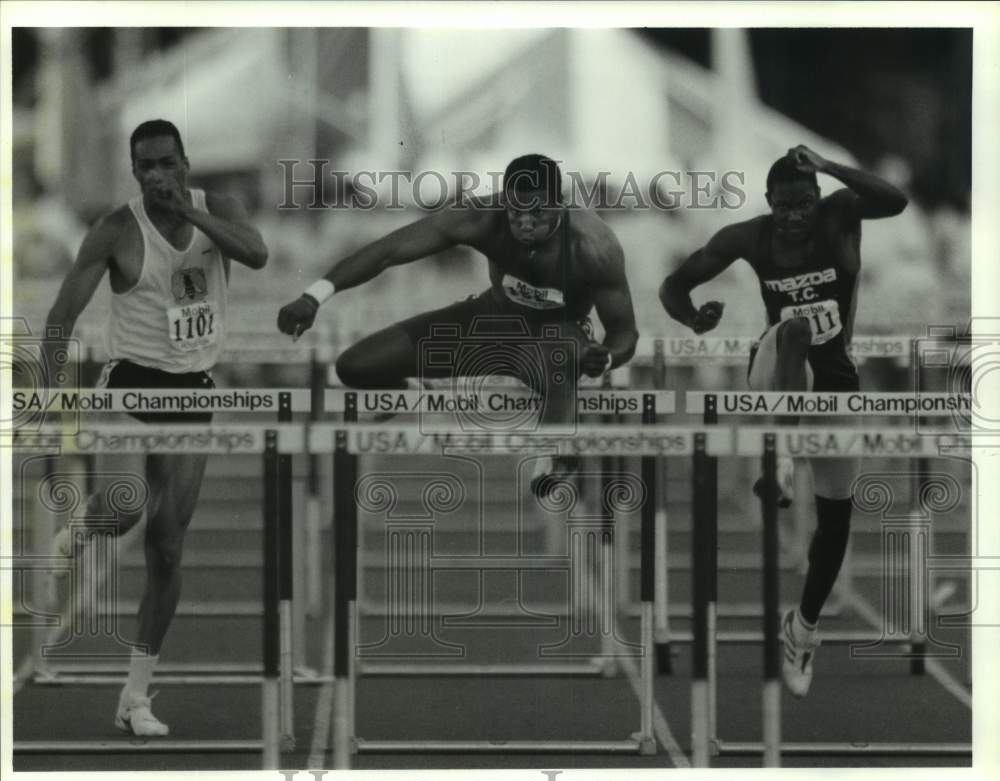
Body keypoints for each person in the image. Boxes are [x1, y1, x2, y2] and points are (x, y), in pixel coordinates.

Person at [39, 119, 268, 734]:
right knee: (129, 505)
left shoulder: (216, 209)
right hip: (131, 381)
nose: (158, 176)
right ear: (134, 171)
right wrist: (44, 395)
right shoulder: (116, 230)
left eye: (168, 163)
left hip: (193, 388)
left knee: (167, 545)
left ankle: (134, 698)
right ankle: (83, 526)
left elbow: (256, 253)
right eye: (146, 167)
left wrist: (193, 220)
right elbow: (63, 314)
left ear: (186, 163)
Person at [659, 145, 907, 697]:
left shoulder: (840, 214)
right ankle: (784, 457)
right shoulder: (748, 237)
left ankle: (804, 627)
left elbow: (895, 200)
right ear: (768, 203)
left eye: (803, 204)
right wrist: (692, 319)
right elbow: (674, 286)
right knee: (795, 330)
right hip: (774, 372)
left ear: (815, 199)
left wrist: (827, 165)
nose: (794, 217)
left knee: (837, 521)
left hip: (836, 384)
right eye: (783, 206)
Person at [277, 154, 639, 492]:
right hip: (491, 320)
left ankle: (555, 453)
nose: (526, 223)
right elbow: (387, 251)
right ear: (503, 201)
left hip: (555, 339)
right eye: (516, 213)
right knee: (354, 367)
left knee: (564, 353)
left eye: (537, 213)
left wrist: (606, 358)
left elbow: (624, 331)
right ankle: (414, 393)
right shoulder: (482, 215)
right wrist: (314, 295)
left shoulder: (594, 244)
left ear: (560, 203)